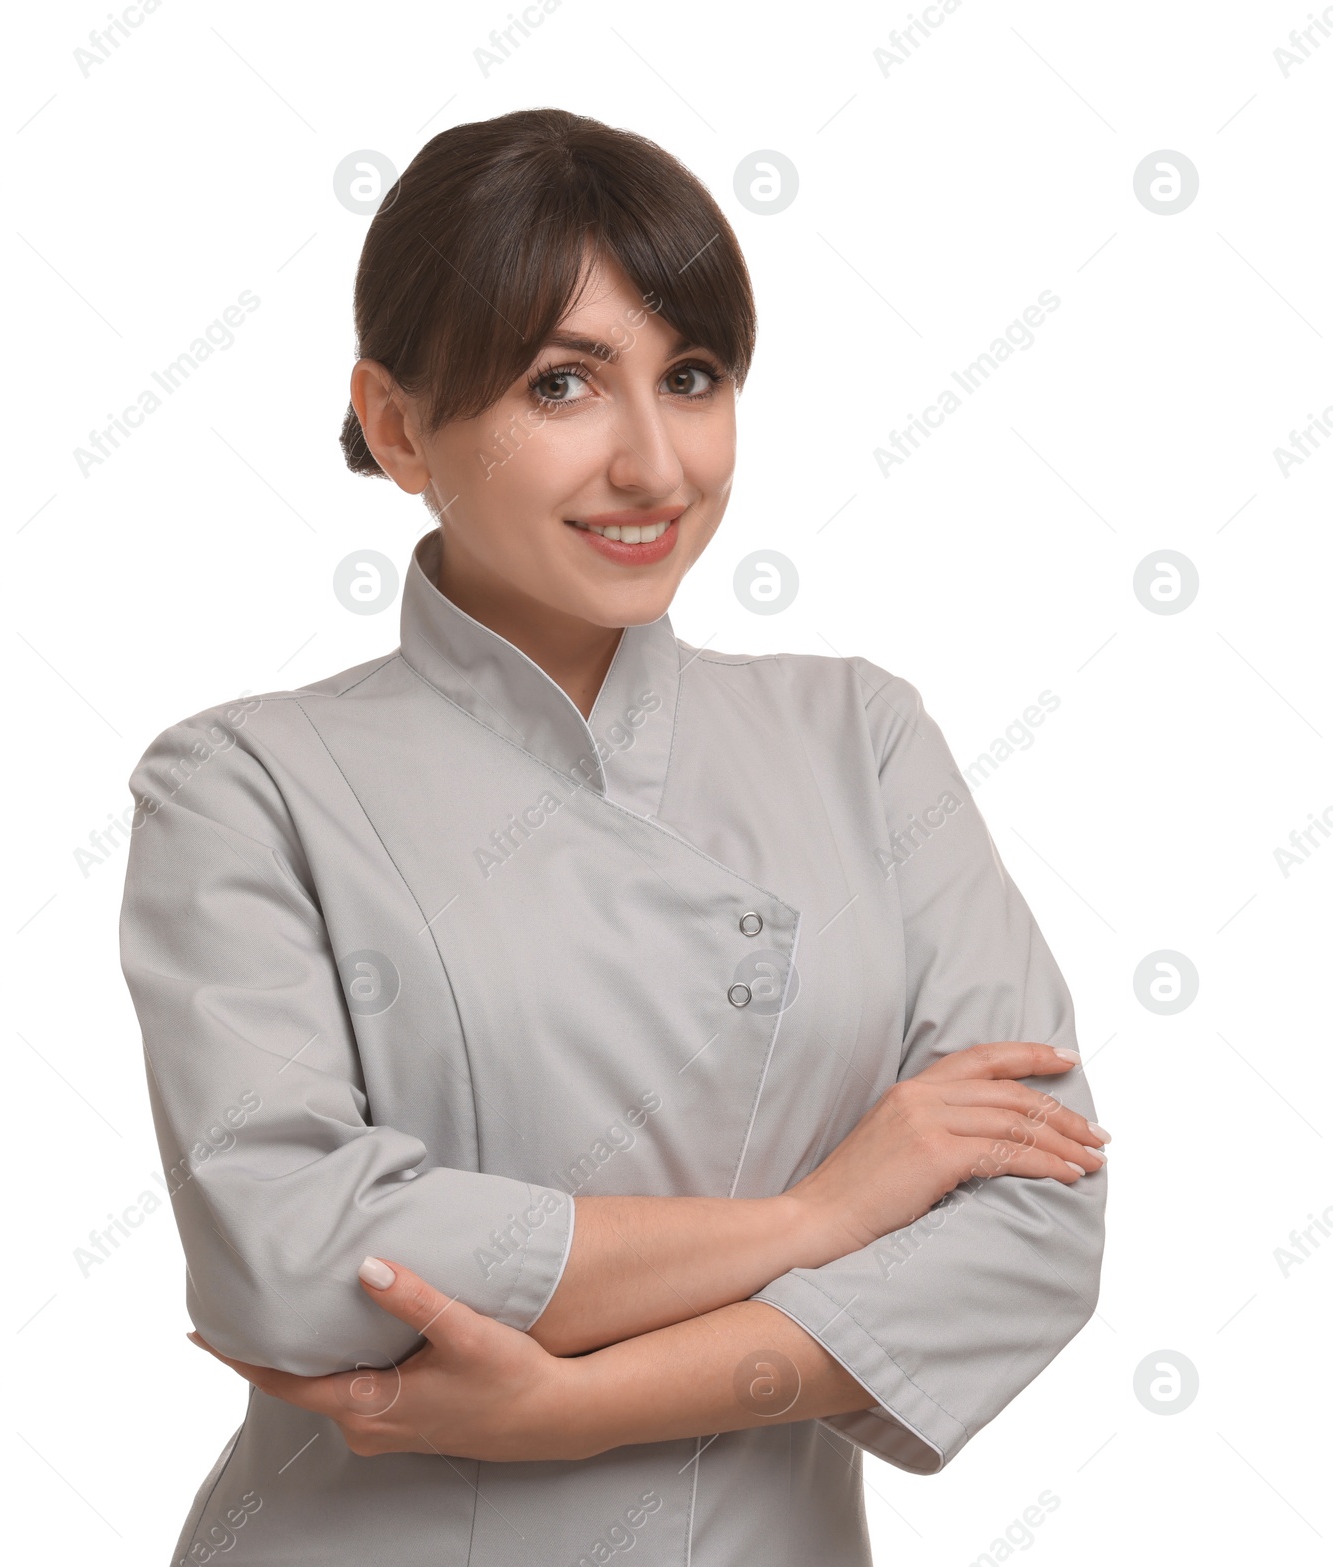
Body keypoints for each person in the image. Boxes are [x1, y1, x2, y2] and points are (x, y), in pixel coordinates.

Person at [118, 106, 1108, 1567]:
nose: (654, 463)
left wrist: (568, 1409)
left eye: (692, 378)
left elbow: (1033, 1227)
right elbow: (299, 1254)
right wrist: (819, 1213)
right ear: (397, 426)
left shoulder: (862, 738)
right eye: (562, 382)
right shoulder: (247, 780)